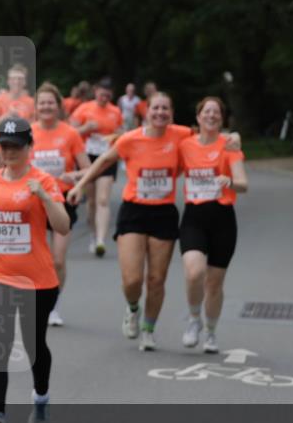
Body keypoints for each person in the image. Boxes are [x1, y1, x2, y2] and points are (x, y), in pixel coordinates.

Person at [68, 92, 191, 352]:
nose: (160, 113)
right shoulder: (131, 139)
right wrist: (80, 184)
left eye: (165, 109)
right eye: (155, 108)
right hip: (134, 211)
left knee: (157, 279)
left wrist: (232, 139)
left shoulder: (181, 135)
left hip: (163, 213)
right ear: (146, 112)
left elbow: (208, 141)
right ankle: (133, 308)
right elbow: (103, 161)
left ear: (172, 113)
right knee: (132, 279)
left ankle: (148, 328)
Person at [0, 116, 69, 423]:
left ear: (30, 147)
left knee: (34, 347)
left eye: (16, 145)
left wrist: (44, 198)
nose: (9, 151)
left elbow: (62, 226)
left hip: (36, 280)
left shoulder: (43, 180)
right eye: (4, 145)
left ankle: (41, 400)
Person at [178, 97, 247, 353]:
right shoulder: (185, 145)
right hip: (194, 217)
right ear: (198, 117)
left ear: (222, 118)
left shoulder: (229, 145)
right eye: (206, 112)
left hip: (222, 220)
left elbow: (243, 183)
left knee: (215, 283)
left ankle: (211, 332)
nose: (211, 116)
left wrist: (229, 181)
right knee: (194, 272)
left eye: (216, 112)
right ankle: (194, 319)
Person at [29, 83, 89, 326]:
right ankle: (34, 299)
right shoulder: (29, 132)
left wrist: (73, 179)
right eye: (41, 103)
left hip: (60, 201)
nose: (46, 107)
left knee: (58, 260)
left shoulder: (70, 133)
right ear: (36, 107)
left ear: (58, 106)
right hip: (31, 203)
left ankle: (53, 304)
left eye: (50, 103)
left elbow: (86, 169)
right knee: (33, 257)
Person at [69, 78, 123, 258]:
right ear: (95, 91)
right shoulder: (83, 109)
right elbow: (69, 133)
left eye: (108, 95)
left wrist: (117, 136)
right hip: (88, 158)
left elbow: (121, 133)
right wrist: (85, 128)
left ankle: (100, 240)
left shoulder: (115, 111)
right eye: (102, 93)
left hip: (107, 157)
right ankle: (93, 235)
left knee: (103, 199)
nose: (104, 97)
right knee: (92, 201)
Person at [0, 64, 35, 130]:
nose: (16, 82)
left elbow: (35, 126)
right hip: (1, 139)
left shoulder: (32, 102)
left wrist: (20, 121)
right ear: (8, 81)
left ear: (24, 82)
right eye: (13, 78)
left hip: (23, 138)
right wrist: (7, 116)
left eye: (20, 79)